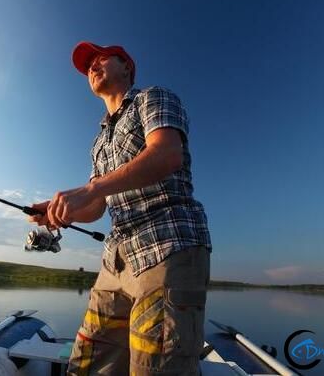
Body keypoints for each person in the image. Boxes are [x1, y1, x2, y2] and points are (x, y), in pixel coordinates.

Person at [28, 41, 212, 376]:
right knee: (87, 363)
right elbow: (97, 206)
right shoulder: (98, 142)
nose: (92, 68)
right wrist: (60, 212)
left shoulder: (153, 98)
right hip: (115, 262)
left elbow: (167, 155)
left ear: (127, 66)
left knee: (156, 368)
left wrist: (91, 187)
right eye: (87, 67)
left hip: (167, 248)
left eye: (100, 59)